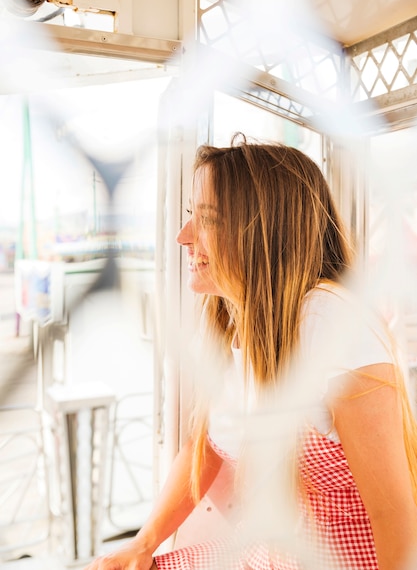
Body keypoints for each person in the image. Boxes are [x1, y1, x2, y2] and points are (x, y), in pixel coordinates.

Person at [85, 136, 417, 570]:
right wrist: (144, 544)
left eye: (207, 220)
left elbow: (395, 514)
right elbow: (200, 445)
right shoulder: (233, 320)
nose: (184, 237)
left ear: (262, 230)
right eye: (191, 217)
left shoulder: (329, 320)